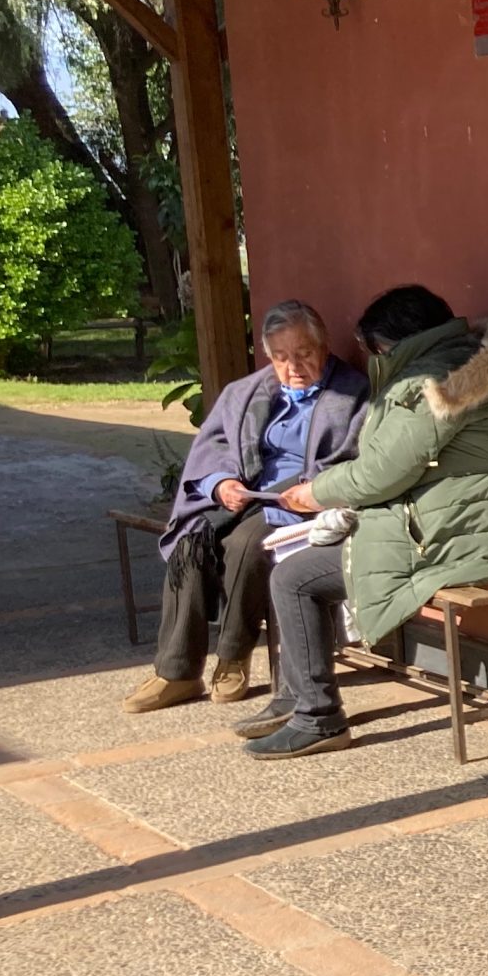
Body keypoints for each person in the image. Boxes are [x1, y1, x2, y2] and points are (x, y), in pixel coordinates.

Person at [240, 286, 488, 760]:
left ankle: (316, 716)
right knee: (294, 572)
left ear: (394, 343)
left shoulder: (432, 383)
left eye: (374, 348)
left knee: (294, 578)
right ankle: (298, 699)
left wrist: (314, 493)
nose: (372, 357)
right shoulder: (464, 363)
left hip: (465, 533)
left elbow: (383, 471)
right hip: (462, 520)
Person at [127, 301, 369, 714]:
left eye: (304, 353)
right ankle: (177, 671)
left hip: (299, 497)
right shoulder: (246, 392)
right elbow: (214, 446)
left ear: (324, 345)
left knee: (245, 543)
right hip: (246, 492)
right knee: (192, 543)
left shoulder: (350, 394)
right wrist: (222, 484)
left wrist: (309, 490)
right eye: (281, 357)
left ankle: (234, 655)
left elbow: (349, 458)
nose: (293, 367)